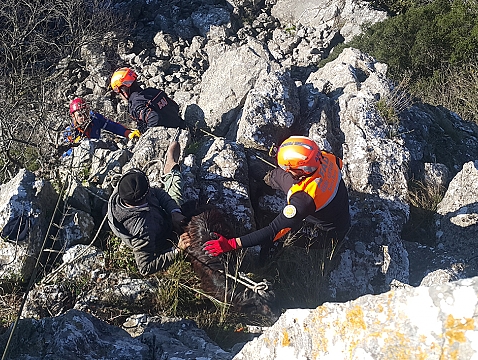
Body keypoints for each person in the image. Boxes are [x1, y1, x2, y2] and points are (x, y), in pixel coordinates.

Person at [204, 136, 351, 256]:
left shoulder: (303, 199)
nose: (285, 170)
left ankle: (266, 260)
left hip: (328, 236)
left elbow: (272, 230)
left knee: (276, 236)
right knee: (275, 176)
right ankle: (263, 188)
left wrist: (231, 244)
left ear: (300, 171)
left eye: (287, 168)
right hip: (335, 211)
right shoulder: (326, 157)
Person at [107, 141, 190, 275]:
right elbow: (145, 268)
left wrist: (174, 211)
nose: (151, 191)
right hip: (162, 239)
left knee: (174, 202)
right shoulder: (142, 230)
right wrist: (178, 251)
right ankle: (172, 171)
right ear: (142, 199)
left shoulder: (125, 188)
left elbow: (157, 193)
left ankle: (170, 165)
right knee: (176, 188)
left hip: (157, 216)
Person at [58, 97, 141, 156]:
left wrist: (128, 133)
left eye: (86, 113)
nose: (84, 118)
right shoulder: (70, 132)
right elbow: (65, 154)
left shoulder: (95, 118)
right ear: (73, 116)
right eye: (80, 115)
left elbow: (113, 126)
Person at [110, 67, 186, 131]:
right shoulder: (152, 91)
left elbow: (153, 118)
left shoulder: (136, 103)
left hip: (169, 138)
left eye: (118, 92)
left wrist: (148, 136)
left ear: (124, 89)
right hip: (182, 128)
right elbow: (175, 106)